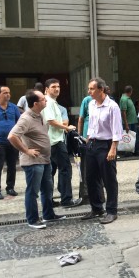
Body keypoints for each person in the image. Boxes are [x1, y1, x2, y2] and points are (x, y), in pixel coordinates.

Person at [8, 90, 66, 228]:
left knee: (47, 189)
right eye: (43, 99)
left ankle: (48, 215)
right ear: (35, 103)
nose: (46, 100)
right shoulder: (26, 118)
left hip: (45, 159)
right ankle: (32, 219)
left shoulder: (40, 115)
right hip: (33, 161)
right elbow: (12, 136)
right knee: (33, 191)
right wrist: (26, 150)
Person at [80, 77, 123, 225]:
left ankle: (111, 211)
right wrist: (88, 138)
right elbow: (91, 123)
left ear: (101, 89)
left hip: (106, 145)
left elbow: (117, 129)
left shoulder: (112, 106)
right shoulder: (91, 104)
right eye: (89, 89)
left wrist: (113, 148)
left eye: (92, 89)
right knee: (91, 178)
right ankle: (96, 208)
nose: (89, 92)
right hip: (92, 144)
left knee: (109, 179)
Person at [41, 78, 81, 208]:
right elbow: (51, 121)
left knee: (50, 172)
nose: (57, 89)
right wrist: (66, 128)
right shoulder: (48, 102)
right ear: (46, 89)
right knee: (65, 169)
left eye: (58, 86)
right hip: (55, 142)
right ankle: (66, 199)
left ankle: (49, 200)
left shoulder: (52, 102)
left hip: (52, 141)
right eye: (53, 87)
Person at [119, 85, 139, 154]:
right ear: (131, 91)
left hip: (132, 122)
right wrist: (126, 124)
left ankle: (134, 150)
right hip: (128, 123)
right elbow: (123, 112)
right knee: (127, 138)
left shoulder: (128, 98)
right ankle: (127, 152)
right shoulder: (124, 99)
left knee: (134, 137)